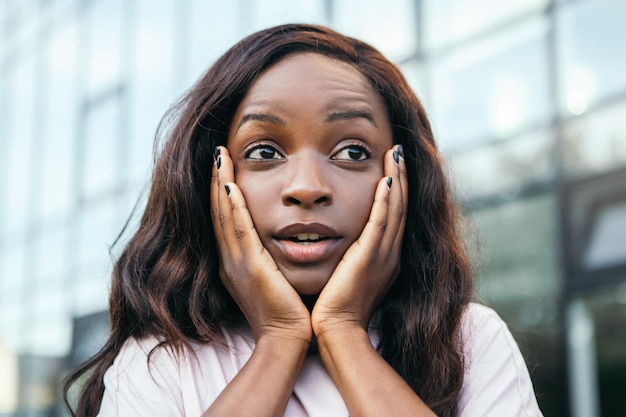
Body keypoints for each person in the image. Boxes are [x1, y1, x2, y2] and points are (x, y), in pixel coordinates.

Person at [63, 23, 543, 417]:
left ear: (401, 176)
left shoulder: (470, 340)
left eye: (352, 151)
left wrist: (345, 332)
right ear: (210, 178)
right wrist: (279, 340)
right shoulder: (160, 362)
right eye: (265, 152)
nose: (307, 186)